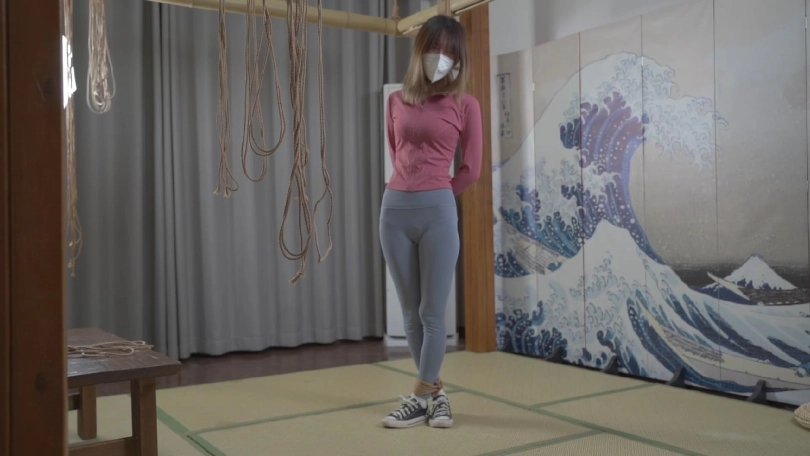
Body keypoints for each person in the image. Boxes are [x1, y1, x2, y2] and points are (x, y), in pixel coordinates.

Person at [380, 15, 483, 429]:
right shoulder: (395, 101)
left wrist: (438, 193)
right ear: (419, 50)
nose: (440, 58)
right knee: (410, 313)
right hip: (393, 211)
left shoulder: (465, 104)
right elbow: (396, 152)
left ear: (459, 60)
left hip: (438, 211)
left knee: (432, 312)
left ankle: (419, 398)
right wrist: (409, 190)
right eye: (434, 49)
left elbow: (472, 169)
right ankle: (437, 398)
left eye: (449, 52)